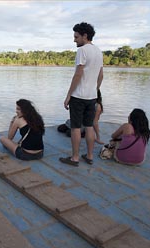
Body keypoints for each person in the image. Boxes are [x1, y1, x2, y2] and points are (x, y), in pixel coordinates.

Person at [60, 22, 104, 166]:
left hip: (78, 97)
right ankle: (90, 156)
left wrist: (68, 96)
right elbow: (101, 75)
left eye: (76, 37)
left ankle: (75, 158)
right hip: (92, 97)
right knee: (89, 126)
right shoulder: (98, 51)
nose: (74, 40)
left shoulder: (82, 51)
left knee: (75, 128)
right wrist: (95, 89)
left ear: (85, 35)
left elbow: (78, 74)